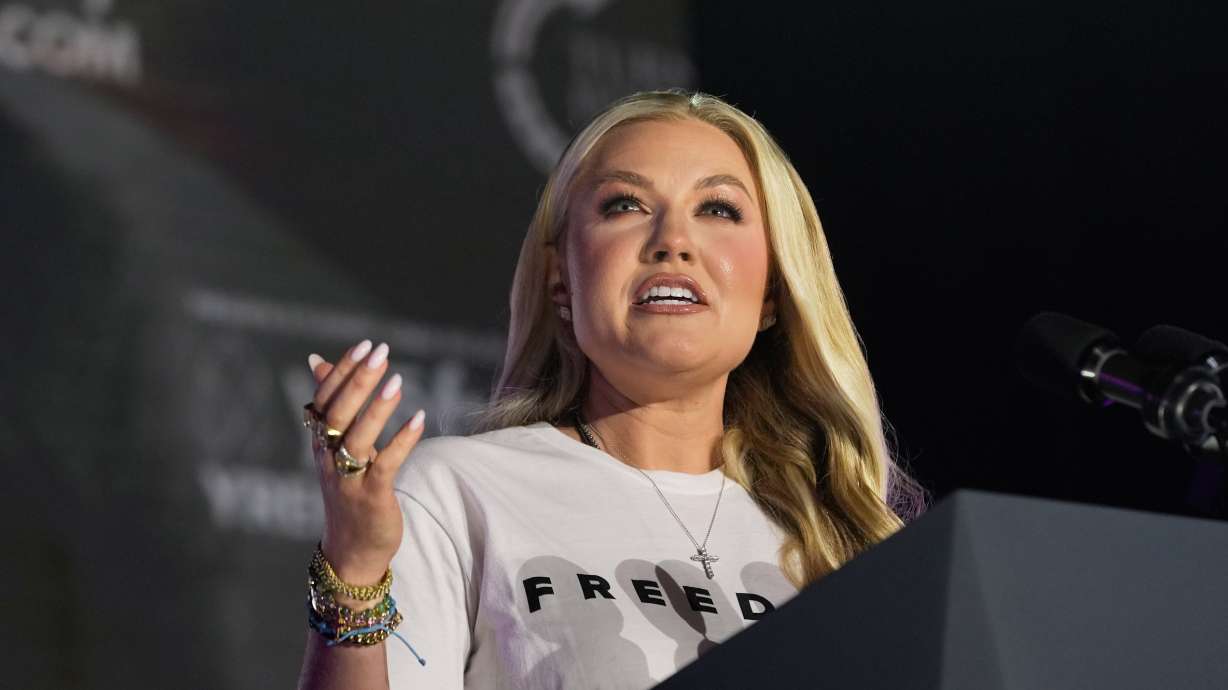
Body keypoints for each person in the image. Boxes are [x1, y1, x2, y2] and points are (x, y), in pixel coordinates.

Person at [297, 90, 925, 690]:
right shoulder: (460, 492)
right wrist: (354, 574)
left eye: (719, 209)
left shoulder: (849, 543)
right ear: (559, 278)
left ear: (772, 292)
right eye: (625, 205)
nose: (672, 242)